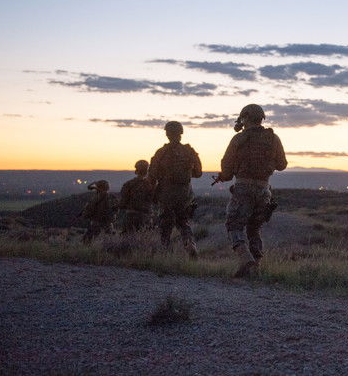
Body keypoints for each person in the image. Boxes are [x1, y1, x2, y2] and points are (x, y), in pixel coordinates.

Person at [216, 104, 287, 276]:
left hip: (243, 188)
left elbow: (227, 169)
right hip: (264, 190)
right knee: (254, 228)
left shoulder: (238, 139)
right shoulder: (273, 138)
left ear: (245, 118)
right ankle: (257, 267)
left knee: (234, 225)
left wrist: (224, 176)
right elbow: (282, 165)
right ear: (261, 118)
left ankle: (245, 258)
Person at [148, 121, 203, 258]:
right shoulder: (189, 151)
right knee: (183, 222)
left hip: (166, 193)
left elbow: (152, 175)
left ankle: (165, 252)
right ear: (181, 133)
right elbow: (198, 173)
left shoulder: (161, 152)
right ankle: (190, 245)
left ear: (167, 134)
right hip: (185, 193)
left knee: (165, 224)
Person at [118, 159, 153, 233]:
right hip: (145, 216)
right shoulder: (150, 185)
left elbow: (123, 202)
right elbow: (153, 199)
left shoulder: (128, 184)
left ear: (136, 170)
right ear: (147, 170)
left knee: (128, 236)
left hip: (130, 215)